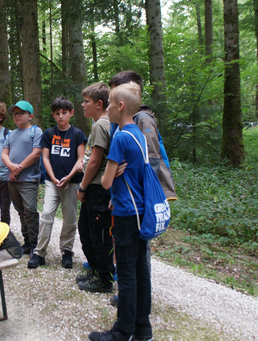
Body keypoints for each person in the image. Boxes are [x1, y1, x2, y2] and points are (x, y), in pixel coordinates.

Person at [108, 70, 177, 308]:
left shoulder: (142, 120)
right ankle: (134, 298)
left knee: (139, 255)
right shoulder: (127, 123)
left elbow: (151, 160)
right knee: (134, 253)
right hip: (131, 195)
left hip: (141, 197)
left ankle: (135, 299)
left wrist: (147, 196)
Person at [89, 82, 152, 341]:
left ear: (121, 106)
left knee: (125, 274)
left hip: (126, 214)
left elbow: (105, 182)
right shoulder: (139, 134)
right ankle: (142, 330)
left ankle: (122, 332)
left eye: (111, 104)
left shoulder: (121, 136)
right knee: (140, 272)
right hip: (141, 211)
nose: (109, 108)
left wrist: (112, 175)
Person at [27, 96, 86, 269]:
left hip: (72, 182)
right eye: (57, 113)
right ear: (53, 115)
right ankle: (39, 252)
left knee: (69, 218)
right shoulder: (49, 134)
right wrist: (53, 178)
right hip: (52, 182)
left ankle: (67, 251)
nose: (61, 116)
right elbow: (45, 158)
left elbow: (81, 159)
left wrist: (68, 177)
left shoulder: (77, 134)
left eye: (64, 113)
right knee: (46, 215)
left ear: (71, 113)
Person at [74, 83, 116, 293]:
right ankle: (95, 270)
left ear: (99, 104)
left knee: (99, 235)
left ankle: (104, 279)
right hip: (94, 188)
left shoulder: (101, 125)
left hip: (98, 188)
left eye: (86, 101)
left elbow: (94, 162)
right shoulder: (102, 123)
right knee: (86, 229)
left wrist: (81, 187)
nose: (82, 105)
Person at [1, 100, 42, 254]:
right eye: (15, 113)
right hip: (12, 179)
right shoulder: (11, 134)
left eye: (21, 113)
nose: (17, 116)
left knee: (30, 210)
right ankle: (27, 242)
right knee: (21, 211)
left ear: (30, 116)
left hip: (28, 179)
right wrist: (11, 167)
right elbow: (4, 154)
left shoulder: (36, 132)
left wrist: (18, 168)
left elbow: (36, 153)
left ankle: (34, 242)